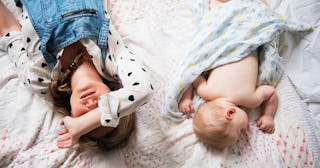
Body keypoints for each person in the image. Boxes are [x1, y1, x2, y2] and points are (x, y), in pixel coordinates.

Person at [0, 1, 153, 151]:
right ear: (118, 96)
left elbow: (8, 30)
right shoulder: (112, 57)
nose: (92, 104)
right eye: (101, 109)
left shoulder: (39, 79)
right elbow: (143, 90)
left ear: (71, 115)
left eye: (84, 116)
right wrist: (82, 124)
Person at [177, 0, 278, 150]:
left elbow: (271, 94)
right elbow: (192, 77)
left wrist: (267, 115)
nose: (245, 130)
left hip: (237, 41)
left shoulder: (251, 101)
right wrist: (186, 99)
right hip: (235, 39)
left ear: (230, 113)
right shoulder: (206, 91)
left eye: (240, 130)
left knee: (255, 10)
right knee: (224, 12)